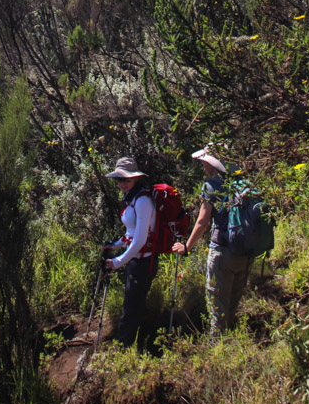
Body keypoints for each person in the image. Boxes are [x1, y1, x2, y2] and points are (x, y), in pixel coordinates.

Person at [172, 146, 252, 335]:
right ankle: (231, 345)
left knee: (217, 308)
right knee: (232, 306)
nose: (203, 165)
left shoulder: (211, 185)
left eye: (204, 162)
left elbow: (202, 221)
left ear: (213, 163)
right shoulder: (242, 183)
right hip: (245, 253)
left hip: (222, 253)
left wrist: (187, 247)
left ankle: (217, 346)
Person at [103, 156, 158, 346]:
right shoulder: (133, 198)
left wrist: (118, 261)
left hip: (143, 262)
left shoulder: (142, 201)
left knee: (131, 308)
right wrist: (115, 245)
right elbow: (131, 233)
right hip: (135, 260)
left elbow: (140, 240)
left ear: (135, 178)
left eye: (126, 179)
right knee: (133, 303)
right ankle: (139, 342)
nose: (122, 183)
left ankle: (124, 348)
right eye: (119, 179)